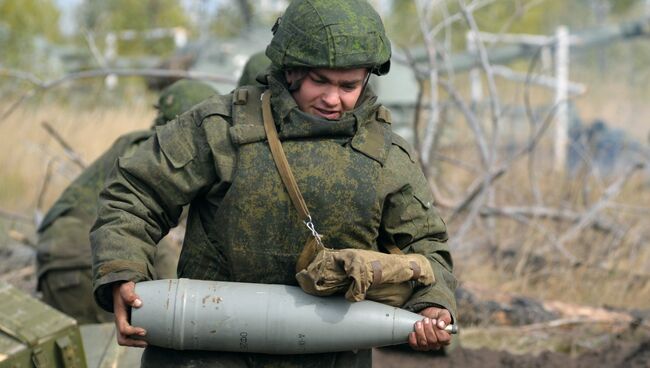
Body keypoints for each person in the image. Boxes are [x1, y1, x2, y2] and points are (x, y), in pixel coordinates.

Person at [91, 0, 457, 366]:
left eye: (349, 85)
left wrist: (434, 305)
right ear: (291, 70)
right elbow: (135, 192)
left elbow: (426, 246)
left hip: (327, 356)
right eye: (320, 81)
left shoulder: (385, 154)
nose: (333, 99)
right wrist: (123, 271)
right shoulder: (221, 127)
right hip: (206, 349)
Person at [36, 79, 217, 324]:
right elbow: (140, 226)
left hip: (59, 253)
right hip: (87, 259)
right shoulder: (161, 154)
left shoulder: (137, 143)